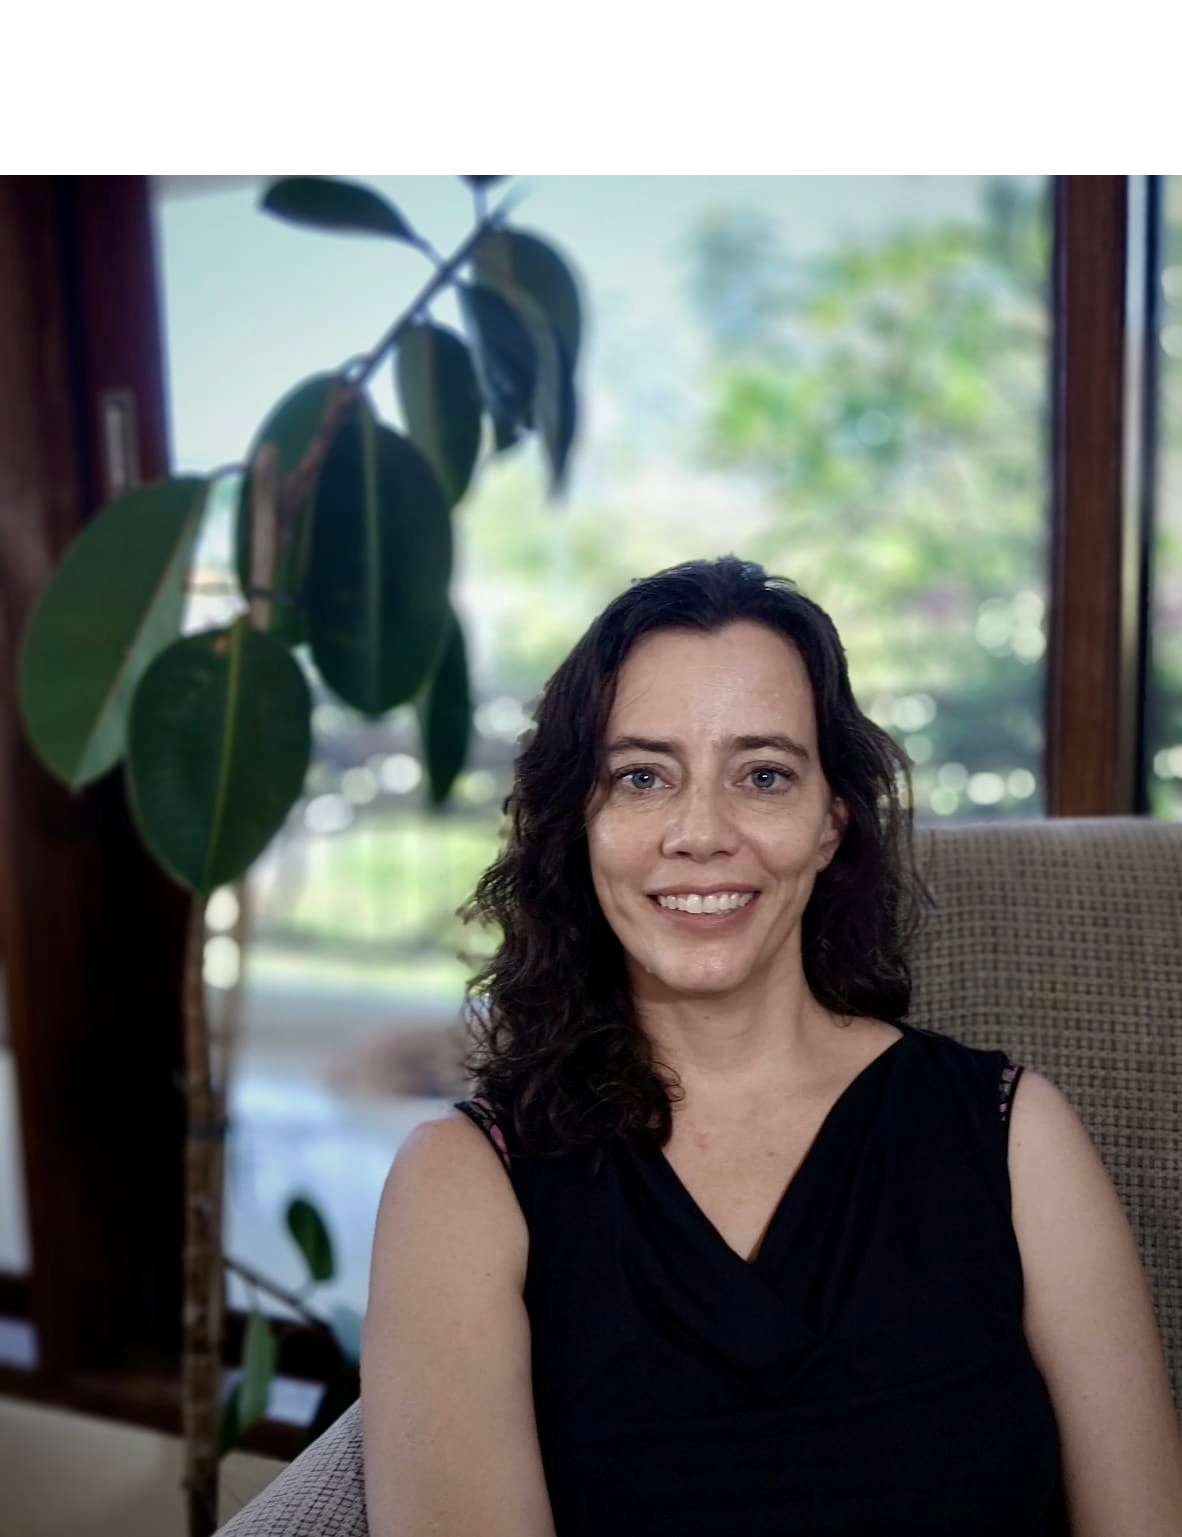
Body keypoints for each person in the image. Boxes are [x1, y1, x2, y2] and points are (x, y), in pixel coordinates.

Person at [361, 557, 1182, 1536]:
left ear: (832, 821)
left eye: (762, 775)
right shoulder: (462, 1185)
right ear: (579, 823)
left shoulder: (1014, 1134)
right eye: (641, 776)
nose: (701, 832)